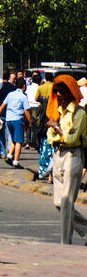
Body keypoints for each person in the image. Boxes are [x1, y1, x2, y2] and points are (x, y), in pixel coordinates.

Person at [46, 75, 87, 245]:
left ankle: (65, 243)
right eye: (56, 91)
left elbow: (71, 138)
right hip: (58, 155)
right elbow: (50, 137)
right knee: (58, 202)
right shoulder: (59, 112)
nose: (59, 95)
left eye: (62, 91)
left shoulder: (80, 114)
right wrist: (58, 131)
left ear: (71, 92)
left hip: (73, 155)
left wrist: (56, 128)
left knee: (66, 201)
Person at [1, 76, 31, 167]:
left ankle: (10, 155)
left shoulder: (10, 94)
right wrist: (30, 121)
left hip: (8, 119)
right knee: (19, 141)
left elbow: (3, 105)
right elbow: (26, 111)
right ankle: (16, 161)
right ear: (24, 86)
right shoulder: (23, 96)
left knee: (13, 139)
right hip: (17, 119)